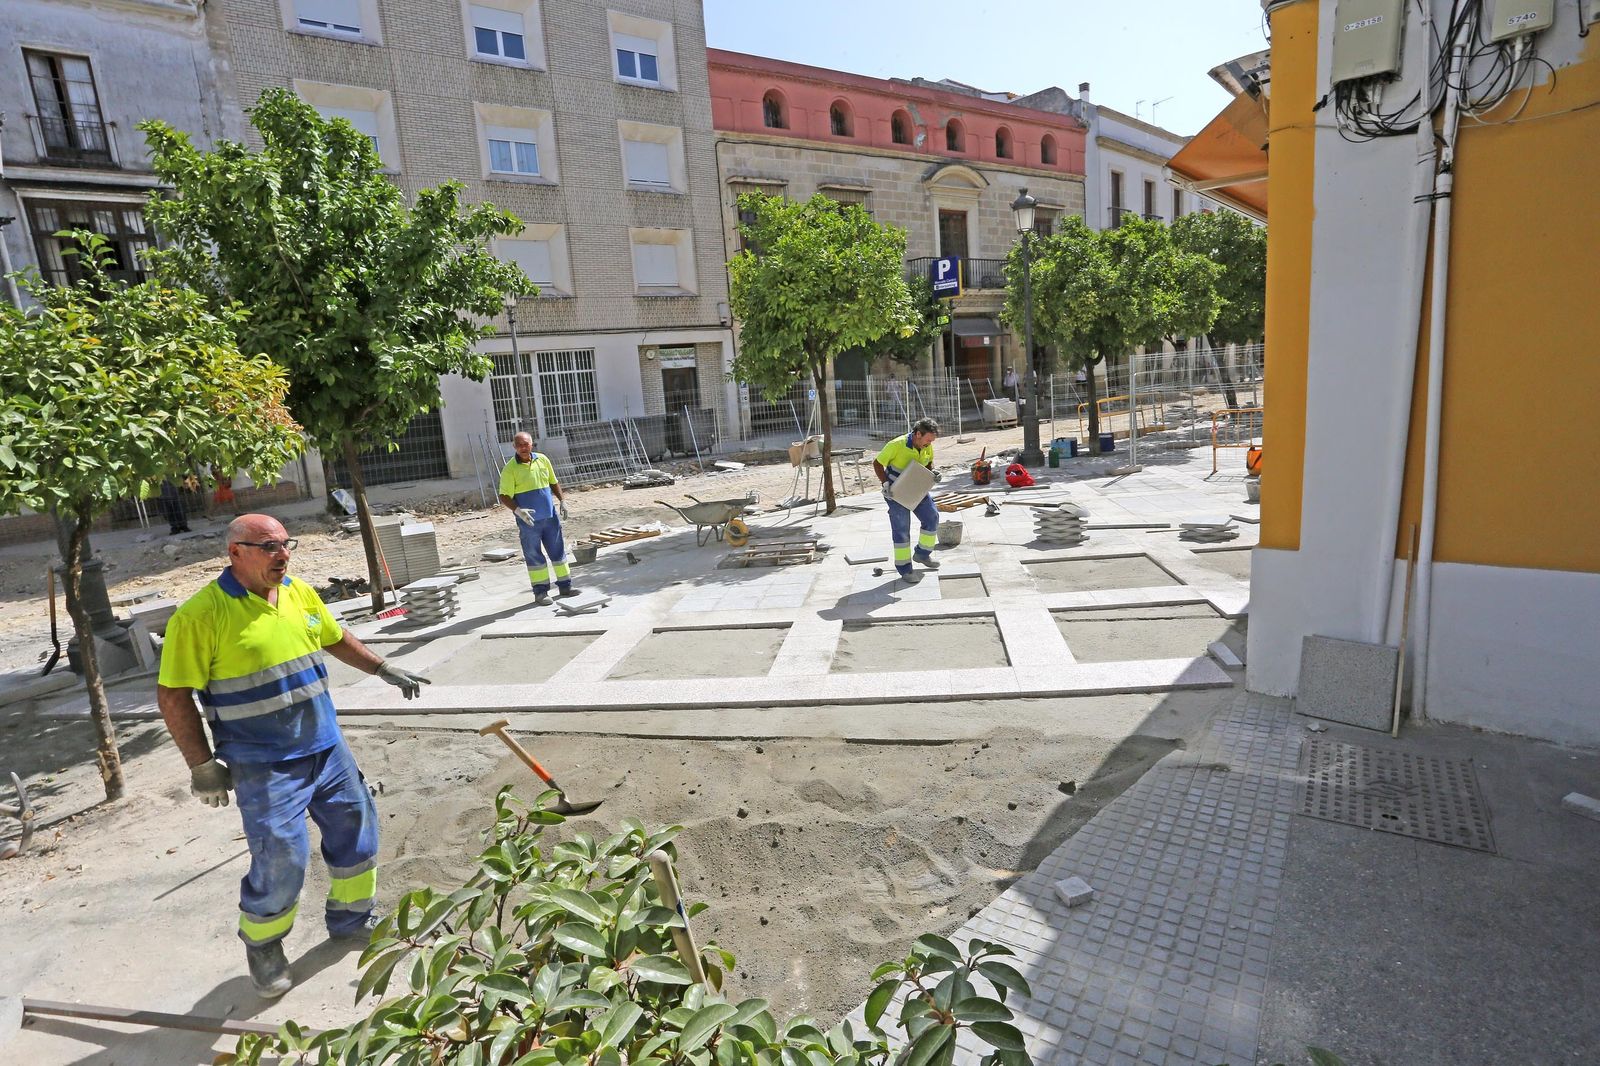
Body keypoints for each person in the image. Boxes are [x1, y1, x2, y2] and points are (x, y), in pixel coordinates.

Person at [155, 514, 430, 998]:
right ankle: (263, 943)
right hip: (262, 762)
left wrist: (382, 667)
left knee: (357, 832)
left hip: (325, 748)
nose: (282, 555)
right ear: (236, 551)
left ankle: (350, 920)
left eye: (286, 545)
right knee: (283, 856)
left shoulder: (299, 592)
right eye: (269, 547)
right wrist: (202, 767)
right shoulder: (201, 616)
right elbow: (175, 695)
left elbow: (333, 637)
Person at [499, 432, 576, 606]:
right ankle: (541, 592)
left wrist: (562, 501)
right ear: (514, 447)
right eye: (519, 445)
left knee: (558, 551)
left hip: (550, 517)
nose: (523, 448)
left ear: (532, 444)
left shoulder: (542, 460)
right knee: (534, 556)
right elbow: (504, 496)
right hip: (529, 522)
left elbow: (553, 482)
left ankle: (565, 586)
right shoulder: (510, 469)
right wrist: (518, 511)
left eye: (526, 444)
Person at [872, 417, 941, 582]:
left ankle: (922, 554)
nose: (929, 444)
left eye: (932, 441)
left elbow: (928, 464)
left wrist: (933, 474)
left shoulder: (927, 446)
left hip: (916, 489)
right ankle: (905, 570)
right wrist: (885, 482)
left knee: (932, 517)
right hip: (895, 492)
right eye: (928, 440)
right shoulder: (896, 445)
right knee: (902, 529)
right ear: (918, 434)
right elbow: (877, 463)